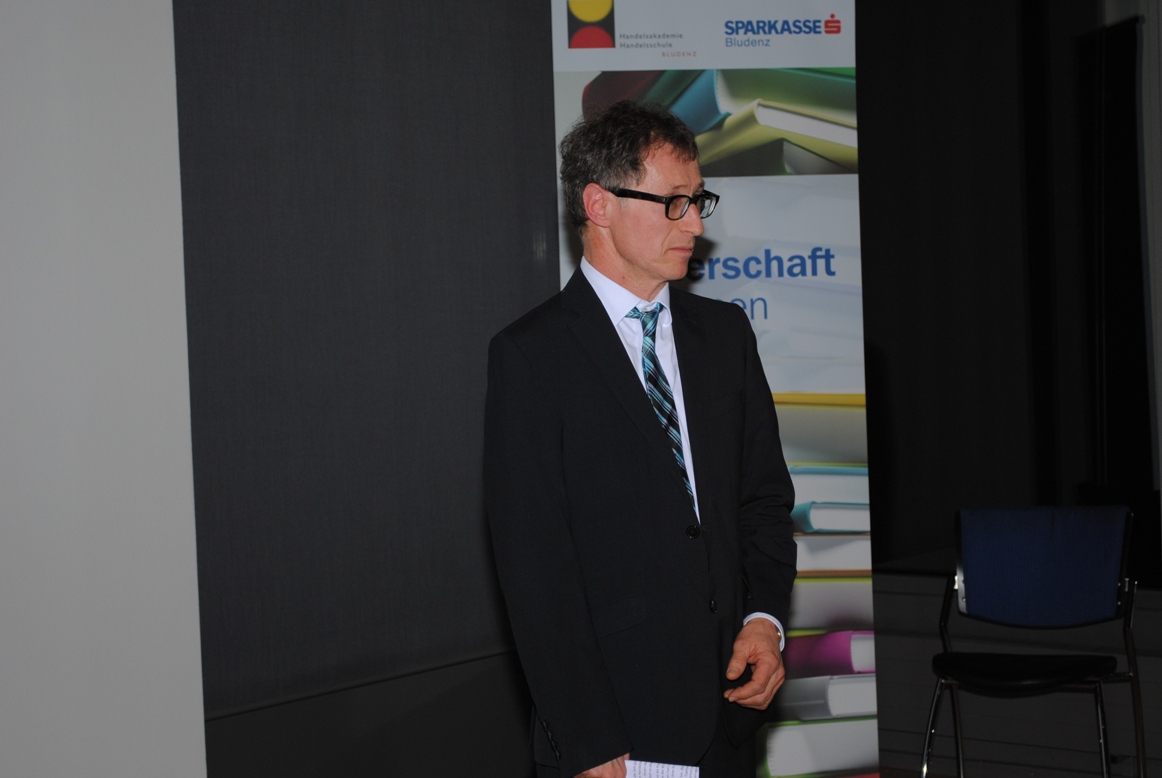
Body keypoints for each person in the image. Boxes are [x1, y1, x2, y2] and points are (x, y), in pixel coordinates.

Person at [484, 100, 797, 778]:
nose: (695, 223)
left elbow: (764, 501)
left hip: (730, 713)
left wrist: (765, 620)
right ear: (599, 204)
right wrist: (587, 739)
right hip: (616, 731)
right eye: (673, 202)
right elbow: (536, 569)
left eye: (698, 200)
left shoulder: (725, 336)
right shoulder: (532, 356)